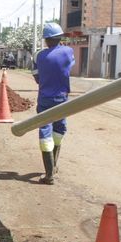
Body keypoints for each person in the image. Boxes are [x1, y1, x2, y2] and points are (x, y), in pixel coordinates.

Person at [32, 23, 74, 184]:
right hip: (62, 99)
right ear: (60, 38)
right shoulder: (68, 52)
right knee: (60, 128)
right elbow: (70, 66)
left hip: (45, 99)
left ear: (46, 40)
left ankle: (49, 173)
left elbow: (37, 78)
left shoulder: (38, 56)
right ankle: (54, 166)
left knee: (45, 131)